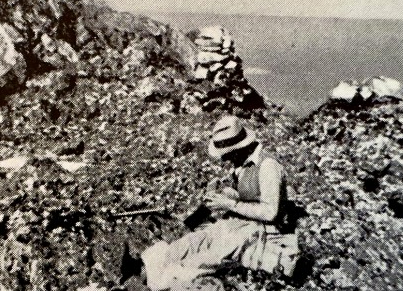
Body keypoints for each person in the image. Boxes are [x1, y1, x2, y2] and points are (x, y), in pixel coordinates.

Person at [128, 115, 300, 290]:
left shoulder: (267, 166)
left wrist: (229, 204)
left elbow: (270, 212)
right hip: (237, 223)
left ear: (239, 148)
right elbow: (250, 195)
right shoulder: (243, 164)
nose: (225, 160)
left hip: (261, 232)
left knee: (199, 260)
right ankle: (144, 271)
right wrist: (226, 195)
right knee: (185, 246)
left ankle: (162, 282)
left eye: (228, 154)